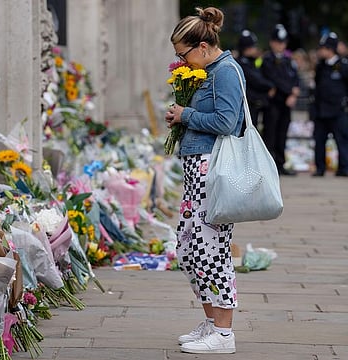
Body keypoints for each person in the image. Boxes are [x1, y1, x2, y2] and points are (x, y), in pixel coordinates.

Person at [164, 6, 244, 354]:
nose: (182, 62)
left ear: (202, 46)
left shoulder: (224, 71)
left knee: (211, 250)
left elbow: (227, 122)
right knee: (188, 249)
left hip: (213, 170)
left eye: (184, 54)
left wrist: (186, 114)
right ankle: (212, 322)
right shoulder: (208, 70)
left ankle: (224, 333)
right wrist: (183, 119)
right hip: (197, 170)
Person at [261, 24, 300, 176]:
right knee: (270, 134)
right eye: (278, 42)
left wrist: (294, 93)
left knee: (282, 134)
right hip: (273, 103)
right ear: (272, 42)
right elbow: (274, 79)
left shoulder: (288, 60)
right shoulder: (267, 59)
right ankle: (270, 165)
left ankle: (280, 164)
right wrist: (291, 91)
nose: (281, 45)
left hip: (286, 103)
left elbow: (294, 77)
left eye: (283, 42)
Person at [312, 32, 348, 177]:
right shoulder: (321, 66)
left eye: (323, 48)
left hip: (338, 110)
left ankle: (344, 167)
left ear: (330, 49)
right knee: (319, 140)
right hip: (321, 110)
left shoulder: (343, 65)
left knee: (342, 140)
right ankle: (320, 167)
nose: (320, 51)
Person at [235, 29, 275, 132]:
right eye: (253, 47)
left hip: (253, 105)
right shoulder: (241, 64)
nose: (255, 49)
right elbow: (256, 81)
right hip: (246, 106)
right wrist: (270, 86)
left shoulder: (251, 62)